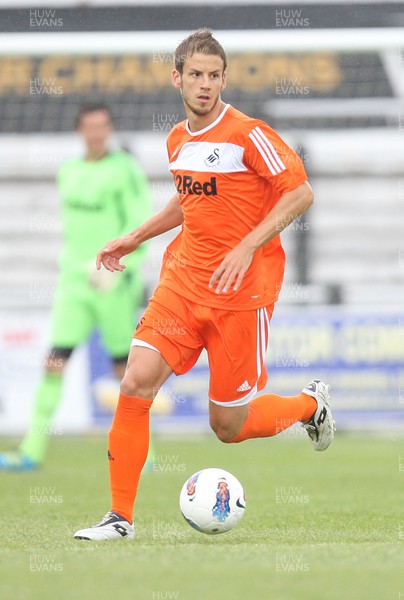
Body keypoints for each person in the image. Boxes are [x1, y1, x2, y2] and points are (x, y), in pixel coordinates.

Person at [74, 30, 335, 541]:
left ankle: (309, 405)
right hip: (184, 282)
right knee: (135, 384)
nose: (205, 84)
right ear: (177, 77)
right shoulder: (177, 139)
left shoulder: (248, 133)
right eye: (195, 74)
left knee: (228, 427)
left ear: (223, 80)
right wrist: (134, 237)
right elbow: (186, 201)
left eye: (214, 75)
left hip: (242, 294)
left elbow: (300, 192)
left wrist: (246, 246)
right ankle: (119, 519)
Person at [0, 102, 152, 471]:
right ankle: (31, 451)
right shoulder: (68, 171)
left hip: (112, 284)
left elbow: (141, 222)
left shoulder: (125, 170)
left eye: (102, 126)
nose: (96, 133)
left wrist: (123, 267)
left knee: (127, 374)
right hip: (75, 284)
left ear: (110, 129)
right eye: (89, 126)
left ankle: (142, 456)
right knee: (54, 362)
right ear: (80, 131)